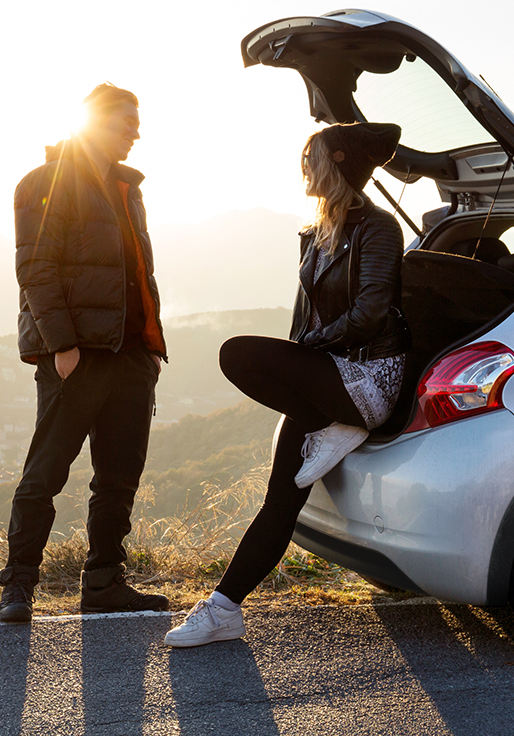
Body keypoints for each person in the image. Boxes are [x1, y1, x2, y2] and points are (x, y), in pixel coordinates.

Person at [164, 121, 409, 647]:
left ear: (339, 161)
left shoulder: (379, 228)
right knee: (280, 498)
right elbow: (306, 317)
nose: (303, 166)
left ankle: (343, 423)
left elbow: (371, 313)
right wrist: (300, 358)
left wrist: (308, 351)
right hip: (325, 380)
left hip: (367, 375)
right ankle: (224, 610)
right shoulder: (313, 233)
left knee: (236, 353)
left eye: (311, 156)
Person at [0, 83, 172, 622]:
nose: (136, 131)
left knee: (119, 475)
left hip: (132, 353)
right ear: (93, 121)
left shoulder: (127, 188)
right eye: (126, 121)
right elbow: (35, 268)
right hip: (78, 354)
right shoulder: (43, 183)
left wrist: (148, 349)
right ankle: (18, 585)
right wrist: (63, 346)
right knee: (46, 473)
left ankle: (103, 582)